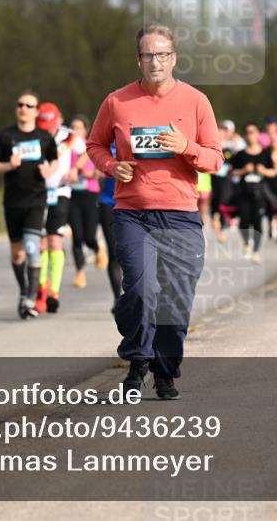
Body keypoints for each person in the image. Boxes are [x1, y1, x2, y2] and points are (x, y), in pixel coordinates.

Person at [86, 23, 223, 400]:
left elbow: (215, 159)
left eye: (162, 54)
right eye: (148, 55)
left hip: (180, 214)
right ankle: (137, 361)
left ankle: (165, 371)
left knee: (176, 299)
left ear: (174, 58)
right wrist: (113, 167)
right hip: (134, 213)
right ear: (138, 60)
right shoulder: (117, 101)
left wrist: (185, 146)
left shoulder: (196, 101)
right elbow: (95, 145)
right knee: (141, 290)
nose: (155, 62)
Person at [0, 91, 58, 319]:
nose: (24, 108)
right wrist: (9, 165)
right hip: (13, 202)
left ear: (36, 111)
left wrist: (50, 170)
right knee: (18, 254)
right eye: (20, 105)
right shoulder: (6, 136)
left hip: (36, 199)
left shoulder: (44, 136)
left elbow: (54, 160)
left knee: (31, 247)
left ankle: (30, 298)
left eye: (29, 105)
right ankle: (23, 291)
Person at [35, 103, 86, 314]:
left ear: (59, 119)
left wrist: (75, 168)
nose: (47, 127)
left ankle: (54, 292)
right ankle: (40, 289)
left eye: (50, 123)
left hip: (61, 192)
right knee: (40, 244)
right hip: (36, 194)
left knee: (55, 240)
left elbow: (87, 151)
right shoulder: (34, 135)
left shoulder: (69, 136)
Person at [68, 114, 107, 291]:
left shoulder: (92, 148)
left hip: (91, 194)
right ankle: (80, 273)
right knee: (77, 236)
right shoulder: (65, 149)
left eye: (78, 128)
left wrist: (85, 172)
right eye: (72, 128)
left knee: (89, 236)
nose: (75, 131)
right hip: (72, 195)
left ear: (86, 130)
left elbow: (101, 172)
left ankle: (98, 249)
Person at [230, 123, 275, 263]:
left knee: (257, 222)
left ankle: (255, 251)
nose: (250, 135)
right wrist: (244, 170)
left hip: (260, 193)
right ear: (245, 135)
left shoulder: (265, 153)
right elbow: (231, 172)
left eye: (253, 132)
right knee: (243, 221)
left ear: (257, 134)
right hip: (244, 193)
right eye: (247, 132)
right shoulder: (240, 154)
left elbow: (274, 172)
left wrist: (264, 171)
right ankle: (246, 243)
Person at [97, 144, 122, 307]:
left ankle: (136, 296)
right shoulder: (105, 144)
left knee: (134, 253)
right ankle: (117, 299)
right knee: (113, 252)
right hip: (108, 201)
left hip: (134, 202)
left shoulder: (138, 135)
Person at [209, 120, 241, 242]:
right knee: (215, 200)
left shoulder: (232, 145)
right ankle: (215, 220)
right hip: (214, 176)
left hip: (226, 177)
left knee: (224, 200)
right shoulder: (212, 144)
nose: (221, 134)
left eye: (224, 131)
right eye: (219, 131)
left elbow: (237, 159)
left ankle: (222, 227)